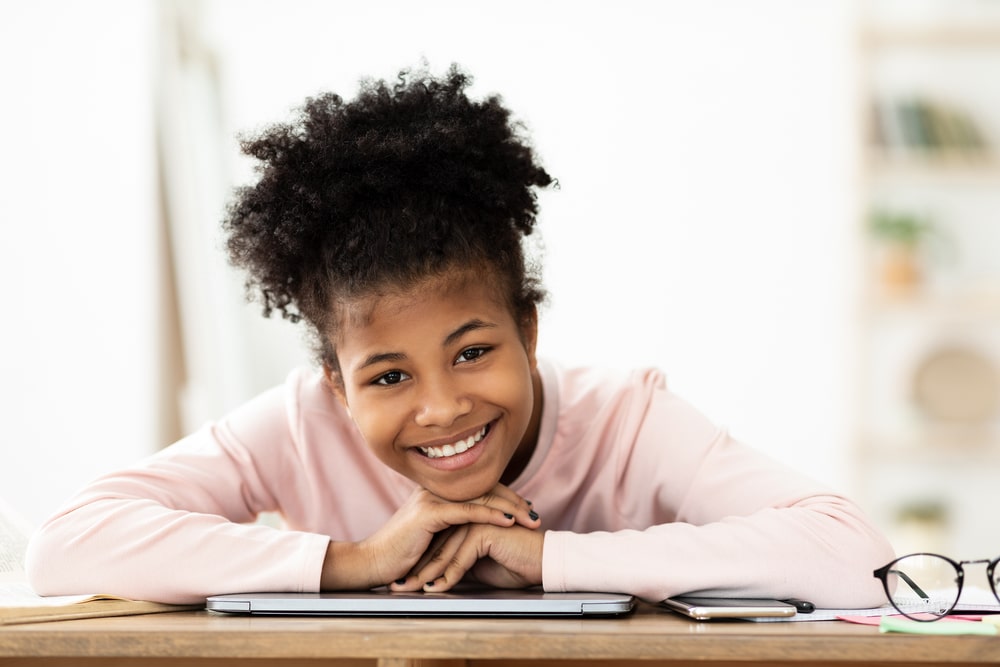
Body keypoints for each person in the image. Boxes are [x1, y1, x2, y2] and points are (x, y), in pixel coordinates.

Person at [26, 64, 894, 607]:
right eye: (388, 377)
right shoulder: (303, 422)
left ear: (528, 328)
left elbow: (856, 554)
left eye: (472, 351)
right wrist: (353, 560)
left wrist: (551, 556)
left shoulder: (625, 418)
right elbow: (66, 544)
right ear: (337, 384)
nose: (441, 408)